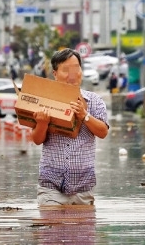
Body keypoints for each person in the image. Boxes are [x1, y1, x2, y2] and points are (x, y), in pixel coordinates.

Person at [32, 48, 109, 206]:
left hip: (82, 188)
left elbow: (103, 132)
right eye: (66, 70)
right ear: (55, 74)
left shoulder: (95, 101)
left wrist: (84, 115)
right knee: (51, 228)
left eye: (76, 68)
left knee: (82, 230)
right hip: (50, 187)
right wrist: (42, 123)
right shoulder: (44, 100)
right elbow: (37, 140)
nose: (72, 75)